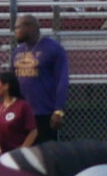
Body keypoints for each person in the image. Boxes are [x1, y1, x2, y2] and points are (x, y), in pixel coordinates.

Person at [11, 16, 70, 144]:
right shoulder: (17, 51)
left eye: (17, 27)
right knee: (24, 155)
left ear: (30, 27)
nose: (14, 31)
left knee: (46, 156)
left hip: (45, 113)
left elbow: (62, 80)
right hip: (22, 113)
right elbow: (12, 81)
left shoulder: (53, 49)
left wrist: (58, 110)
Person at [0, 70, 37, 157]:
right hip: (0, 156)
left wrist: (22, 151)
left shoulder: (22, 106)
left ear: (6, 86)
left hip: (17, 156)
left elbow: (33, 131)